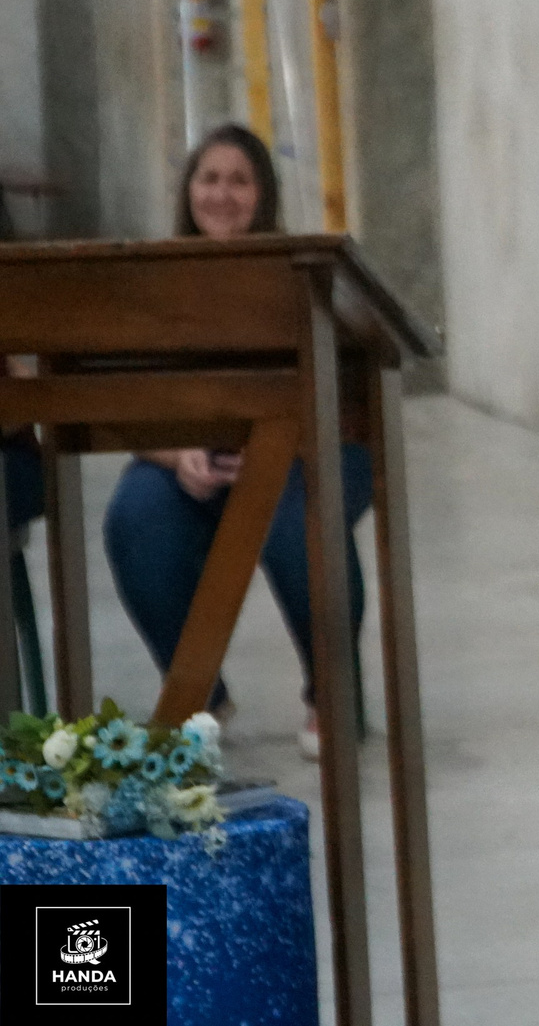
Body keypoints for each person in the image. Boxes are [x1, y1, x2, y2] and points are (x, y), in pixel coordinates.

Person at [101, 124, 370, 760]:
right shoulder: (161, 279)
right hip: (199, 455)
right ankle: (199, 696)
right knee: (135, 516)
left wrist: (279, 448)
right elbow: (133, 402)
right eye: (209, 179)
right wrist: (176, 454)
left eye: (240, 181)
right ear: (188, 192)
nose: (222, 195)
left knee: (293, 522)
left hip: (310, 450)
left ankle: (330, 694)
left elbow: (346, 385)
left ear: (264, 196)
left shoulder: (299, 272)